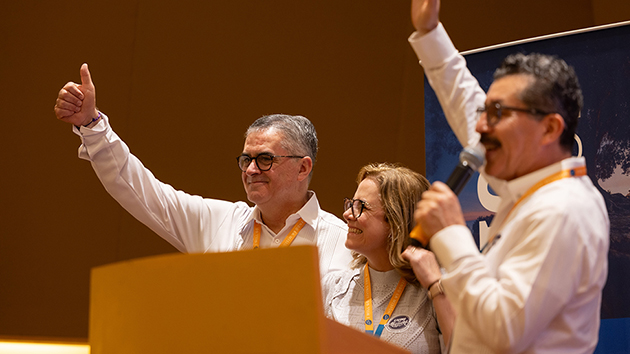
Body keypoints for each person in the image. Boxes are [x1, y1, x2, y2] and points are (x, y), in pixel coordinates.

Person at [404, 0, 610, 353]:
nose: (482, 125)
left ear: (548, 128)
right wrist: (429, 32)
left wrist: (453, 233)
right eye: (486, 111)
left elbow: (503, 332)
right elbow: (466, 105)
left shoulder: (563, 210)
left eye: (497, 112)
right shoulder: (528, 185)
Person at [53, 64, 352, 276]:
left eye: (264, 159)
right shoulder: (218, 223)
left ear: (303, 168)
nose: (250, 170)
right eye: (245, 160)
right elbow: (139, 189)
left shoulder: (345, 245)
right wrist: (93, 126)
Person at [322, 162, 455, 353]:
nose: (347, 214)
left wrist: (435, 286)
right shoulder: (333, 288)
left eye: (362, 207)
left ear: (396, 220)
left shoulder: (436, 289)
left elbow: (465, 348)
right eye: (351, 204)